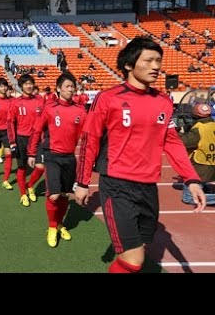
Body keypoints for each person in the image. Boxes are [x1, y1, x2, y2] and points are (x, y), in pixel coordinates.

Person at [74, 36, 206, 273]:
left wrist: (192, 179)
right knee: (133, 260)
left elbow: (173, 143)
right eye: (148, 61)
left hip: (148, 188)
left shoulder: (164, 102)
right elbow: (89, 141)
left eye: (158, 60)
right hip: (117, 186)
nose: (156, 66)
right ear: (128, 65)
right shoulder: (108, 98)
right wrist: (82, 182)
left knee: (141, 250)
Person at [27, 72, 86, 248]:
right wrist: (32, 153)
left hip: (69, 157)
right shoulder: (50, 108)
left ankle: (59, 224)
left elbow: (88, 135)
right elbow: (37, 130)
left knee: (63, 195)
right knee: (53, 195)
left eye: (72, 86)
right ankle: (52, 227)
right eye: (67, 86)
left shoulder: (80, 110)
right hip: (52, 155)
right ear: (59, 88)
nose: (71, 89)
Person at [7, 74, 45, 207]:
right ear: (21, 86)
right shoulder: (16, 102)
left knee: (40, 167)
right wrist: (12, 142)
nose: (29, 86)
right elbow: (10, 123)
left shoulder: (40, 100)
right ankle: (23, 193)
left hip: (37, 139)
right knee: (22, 167)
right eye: (26, 84)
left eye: (30, 83)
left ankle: (30, 186)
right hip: (21, 139)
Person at [179, 103, 215, 205]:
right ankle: (205, 187)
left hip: (200, 168)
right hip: (212, 166)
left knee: (188, 198)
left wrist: (179, 133)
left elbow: (184, 143)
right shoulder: (212, 125)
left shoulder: (199, 129)